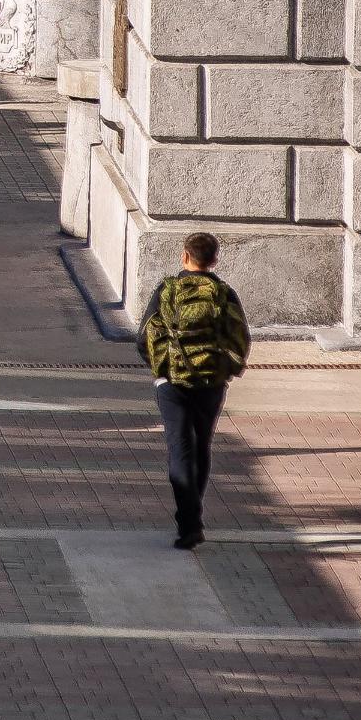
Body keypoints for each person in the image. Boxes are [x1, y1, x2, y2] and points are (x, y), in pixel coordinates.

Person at [142, 231, 251, 548]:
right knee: (202, 445)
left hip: (172, 383)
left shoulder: (168, 290)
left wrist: (160, 369)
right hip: (211, 383)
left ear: (184, 256)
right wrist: (226, 370)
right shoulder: (223, 293)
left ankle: (188, 521)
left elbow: (143, 336)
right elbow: (240, 337)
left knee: (179, 449)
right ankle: (194, 516)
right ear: (214, 260)